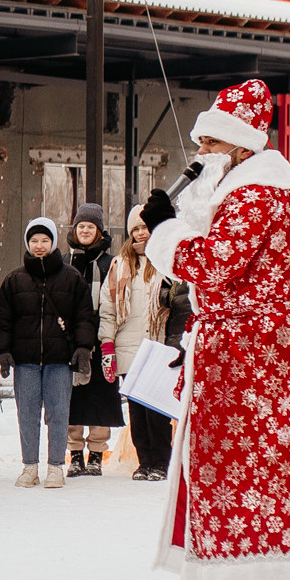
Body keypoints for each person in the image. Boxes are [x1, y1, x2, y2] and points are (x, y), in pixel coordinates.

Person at [142, 78, 290, 580]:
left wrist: (165, 232)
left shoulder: (255, 193)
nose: (201, 156)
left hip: (249, 358)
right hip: (245, 351)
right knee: (244, 467)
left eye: (209, 144)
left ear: (239, 147)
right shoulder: (248, 190)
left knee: (247, 469)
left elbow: (216, 264)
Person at [0, 217, 95, 490]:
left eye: (45, 240)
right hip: (25, 360)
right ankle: (29, 467)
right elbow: (4, 319)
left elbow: (84, 316)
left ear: (53, 243)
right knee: (27, 414)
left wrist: (83, 348)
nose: (39, 246)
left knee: (58, 413)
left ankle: (55, 468)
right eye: (34, 241)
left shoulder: (71, 277)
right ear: (28, 243)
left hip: (59, 359)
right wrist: (3, 351)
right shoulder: (14, 279)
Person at [103, 207, 180, 483]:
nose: (140, 233)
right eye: (135, 228)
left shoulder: (168, 262)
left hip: (157, 347)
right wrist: (107, 346)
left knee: (156, 412)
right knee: (136, 412)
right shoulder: (120, 265)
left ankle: (161, 461)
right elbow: (108, 309)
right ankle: (145, 461)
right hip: (129, 348)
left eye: (144, 228)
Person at [64, 203, 123, 476]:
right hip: (69, 339)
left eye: (91, 227)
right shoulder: (64, 261)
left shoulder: (112, 262)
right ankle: (75, 453)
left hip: (102, 340)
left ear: (99, 231)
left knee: (101, 397)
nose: (85, 231)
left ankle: (97, 453)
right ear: (75, 230)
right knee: (71, 397)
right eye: (81, 226)